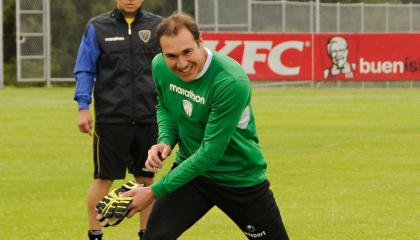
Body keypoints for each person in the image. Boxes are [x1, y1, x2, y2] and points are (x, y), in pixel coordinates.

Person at [121, 12, 289, 240]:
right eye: (171, 55)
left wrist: (153, 191)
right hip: (191, 174)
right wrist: (165, 140)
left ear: (201, 42)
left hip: (238, 177)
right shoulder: (160, 66)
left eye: (187, 52)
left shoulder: (229, 81)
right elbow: (166, 106)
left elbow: (210, 152)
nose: (181, 64)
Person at [73, 0, 162, 239]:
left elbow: (170, 69)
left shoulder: (158, 26)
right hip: (111, 119)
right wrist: (83, 107)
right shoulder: (98, 26)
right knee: (103, 178)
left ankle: (147, 233)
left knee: (147, 179)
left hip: (149, 117)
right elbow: (85, 69)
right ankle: (95, 233)